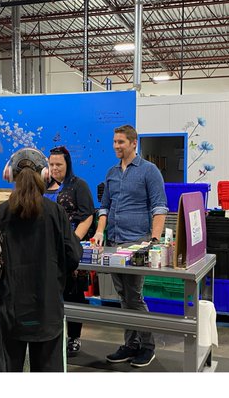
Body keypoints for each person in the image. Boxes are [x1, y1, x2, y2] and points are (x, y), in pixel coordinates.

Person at [0, 149, 81, 372]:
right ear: (45, 174)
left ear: (10, 175)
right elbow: (73, 255)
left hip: (10, 311)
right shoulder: (57, 212)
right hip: (48, 309)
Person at [91, 123, 168, 367]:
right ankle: (131, 344)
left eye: (121, 142)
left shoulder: (149, 171)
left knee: (134, 295)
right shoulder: (111, 173)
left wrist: (154, 240)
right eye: (114, 142)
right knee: (123, 295)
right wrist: (100, 231)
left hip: (136, 243)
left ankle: (147, 346)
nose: (116, 146)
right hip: (114, 241)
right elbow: (104, 207)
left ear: (134, 143)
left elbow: (159, 207)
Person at [47, 146, 95, 355]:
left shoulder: (78, 185)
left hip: (69, 248)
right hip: (47, 249)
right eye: (51, 164)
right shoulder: (44, 186)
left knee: (73, 294)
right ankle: (53, 335)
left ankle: (74, 337)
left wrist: (72, 243)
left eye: (59, 164)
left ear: (67, 164)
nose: (55, 168)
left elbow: (87, 216)